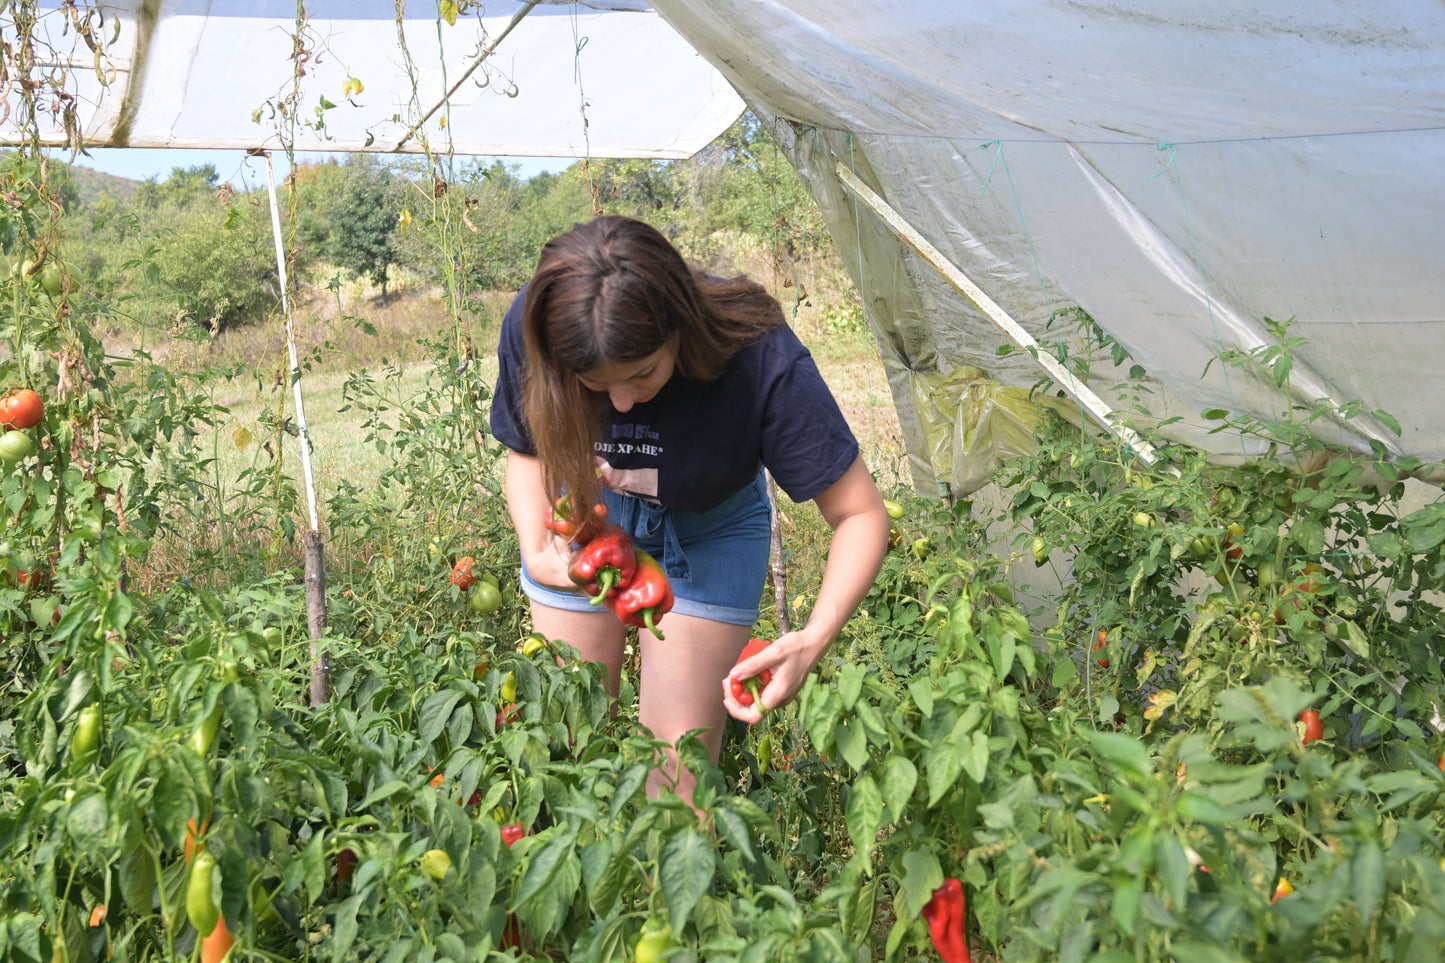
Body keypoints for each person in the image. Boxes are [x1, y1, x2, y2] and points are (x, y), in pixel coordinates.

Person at [489, 215, 889, 800]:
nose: (622, 401)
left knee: (676, 774)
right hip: (586, 522)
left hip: (710, 528)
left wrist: (813, 637)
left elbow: (860, 513)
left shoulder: (756, 353)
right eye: (595, 384)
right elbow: (525, 454)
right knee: (565, 748)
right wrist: (535, 547)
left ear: (679, 326)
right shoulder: (543, 326)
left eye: (643, 373)